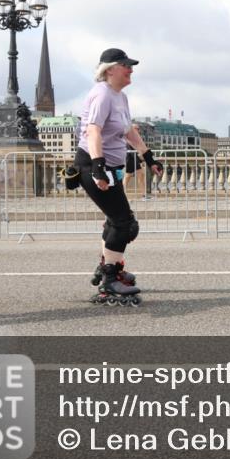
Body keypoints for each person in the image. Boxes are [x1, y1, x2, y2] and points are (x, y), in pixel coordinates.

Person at [75, 48, 163, 306]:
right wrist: (98, 166)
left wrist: (149, 157)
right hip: (93, 166)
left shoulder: (120, 97)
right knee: (124, 223)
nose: (131, 69)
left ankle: (109, 267)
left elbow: (128, 132)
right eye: (127, 65)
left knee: (117, 222)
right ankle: (110, 279)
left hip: (110, 167)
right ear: (110, 69)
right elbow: (93, 131)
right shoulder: (102, 95)